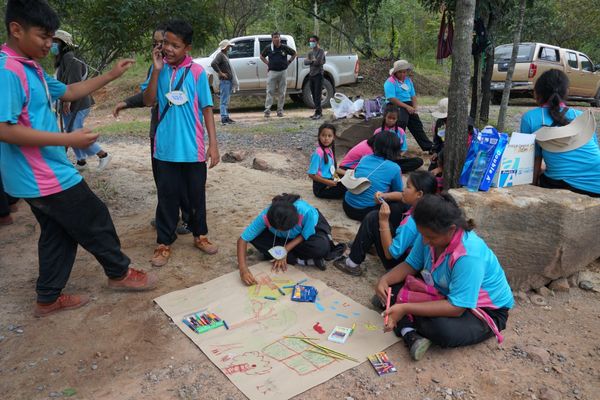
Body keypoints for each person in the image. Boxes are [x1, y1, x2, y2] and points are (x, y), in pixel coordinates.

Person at [0, 0, 158, 317]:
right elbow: (4, 129)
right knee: (94, 217)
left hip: (37, 176)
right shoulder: (8, 71)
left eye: (51, 37)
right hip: (44, 175)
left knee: (59, 232)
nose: (49, 44)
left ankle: (47, 298)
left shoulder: (31, 67)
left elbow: (71, 92)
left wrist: (112, 74)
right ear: (16, 30)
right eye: (43, 36)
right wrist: (68, 139)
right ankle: (120, 274)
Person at [376, 193, 514, 361]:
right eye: (423, 235)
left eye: (431, 237)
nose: (425, 241)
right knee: (389, 290)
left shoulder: (469, 255)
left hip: (483, 311)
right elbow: (411, 264)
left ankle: (405, 322)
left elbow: (456, 308)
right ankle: (407, 325)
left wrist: (405, 307)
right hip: (444, 293)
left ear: (451, 230)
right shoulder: (428, 233)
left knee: (442, 330)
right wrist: (385, 280)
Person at [142, 19, 220, 267]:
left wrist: (213, 144)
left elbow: (207, 109)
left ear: (187, 47)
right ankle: (164, 243)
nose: (168, 49)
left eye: (174, 45)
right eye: (165, 42)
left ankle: (201, 236)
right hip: (165, 149)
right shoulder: (158, 69)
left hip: (193, 149)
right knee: (166, 198)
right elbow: (148, 100)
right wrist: (155, 70)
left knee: (196, 197)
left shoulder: (197, 72)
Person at [112, 25, 191, 235]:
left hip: (182, 135)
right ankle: (171, 219)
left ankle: (185, 219)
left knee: (181, 180)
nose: (160, 46)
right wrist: (127, 102)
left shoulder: (190, 70)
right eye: (156, 43)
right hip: (159, 133)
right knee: (164, 181)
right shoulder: (156, 67)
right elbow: (149, 97)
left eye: (164, 42)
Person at [334, 171, 437, 277]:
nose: (404, 190)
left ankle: (351, 263)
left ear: (419, 194)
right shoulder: (427, 207)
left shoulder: (412, 223)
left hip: (401, 265)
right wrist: (384, 196)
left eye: (408, 187)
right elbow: (401, 196)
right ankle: (368, 242)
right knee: (396, 206)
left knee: (374, 218)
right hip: (412, 259)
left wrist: (383, 221)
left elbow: (390, 254)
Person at [520, 69, 600, 197]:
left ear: (538, 92)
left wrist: (531, 190)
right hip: (597, 183)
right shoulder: (581, 116)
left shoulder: (530, 118)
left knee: (544, 174)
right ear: (566, 92)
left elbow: (532, 160)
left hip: (564, 185)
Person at [237, 194, 341, 285]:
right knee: (256, 237)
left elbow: (305, 235)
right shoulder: (266, 216)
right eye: (278, 229)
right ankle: (301, 260)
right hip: (282, 239)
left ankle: (296, 258)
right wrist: (243, 269)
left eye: (285, 229)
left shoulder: (306, 213)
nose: (282, 230)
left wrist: (285, 250)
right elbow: (243, 239)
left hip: (304, 235)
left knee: (320, 247)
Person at [52, 29, 112, 171]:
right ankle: (81, 162)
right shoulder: (63, 59)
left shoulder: (70, 57)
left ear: (63, 43)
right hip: (69, 103)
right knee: (71, 131)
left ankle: (103, 155)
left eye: (55, 42)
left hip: (77, 102)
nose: (52, 44)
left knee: (74, 132)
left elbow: (76, 82)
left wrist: (68, 101)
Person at [342, 131, 404, 221]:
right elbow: (399, 193)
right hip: (367, 212)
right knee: (400, 203)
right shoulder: (395, 168)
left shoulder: (365, 158)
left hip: (347, 206)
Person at [384, 59, 433, 152]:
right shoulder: (390, 82)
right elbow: (391, 98)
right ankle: (396, 146)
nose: (403, 74)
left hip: (408, 104)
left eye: (404, 72)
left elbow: (413, 95)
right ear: (396, 72)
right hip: (395, 104)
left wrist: (414, 107)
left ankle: (428, 146)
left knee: (417, 124)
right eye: (400, 72)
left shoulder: (408, 81)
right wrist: (406, 107)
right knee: (401, 122)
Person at [374, 103, 423, 172]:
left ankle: (391, 169)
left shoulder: (400, 131)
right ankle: (393, 169)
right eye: (389, 118)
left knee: (418, 161)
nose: (391, 120)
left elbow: (404, 148)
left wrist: (398, 155)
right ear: (385, 117)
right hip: (381, 160)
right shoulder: (378, 131)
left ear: (397, 119)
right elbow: (374, 148)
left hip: (395, 158)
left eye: (393, 118)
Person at [260, 32, 297, 118]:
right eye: (275, 37)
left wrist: (289, 61)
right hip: (272, 72)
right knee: (270, 92)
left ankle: (280, 111)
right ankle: (267, 111)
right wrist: (267, 63)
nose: (277, 39)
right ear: (272, 39)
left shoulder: (284, 47)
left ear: (280, 38)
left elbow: (294, 53)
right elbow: (261, 56)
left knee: (282, 92)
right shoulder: (269, 48)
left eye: (278, 37)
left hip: (283, 72)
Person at [308, 123, 345, 199]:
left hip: (330, 182)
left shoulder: (329, 150)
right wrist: (328, 182)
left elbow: (332, 169)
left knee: (347, 182)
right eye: (323, 135)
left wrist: (340, 178)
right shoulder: (318, 153)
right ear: (319, 136)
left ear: (333, 137)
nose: (326, 138)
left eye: (329, 136)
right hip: (321, 188)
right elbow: (311, 174)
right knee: (346, 189)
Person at [211, 39, 238, 125]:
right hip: (225, 81)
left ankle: (226, 117)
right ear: (225, 47)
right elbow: (213, 63)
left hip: (228, 81)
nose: (230, 48)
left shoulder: (225, 55)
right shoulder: (220, 55)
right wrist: (221, 73)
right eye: (229, 46)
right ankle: (223, 117)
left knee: (226, 100)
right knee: (224, 100)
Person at [304, 35, 326, 120]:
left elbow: (319, 62)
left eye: (313, 41)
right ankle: (317, 111)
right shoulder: (310, 52)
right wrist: (312, 61)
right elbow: (305, 62)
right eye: (310, 41)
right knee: (313, 94)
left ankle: (319, 112)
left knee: (317, 94)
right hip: (311, 74)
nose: (311, 42)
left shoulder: (321, 51)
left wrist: (312, 61)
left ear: (317, 42)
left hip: (318, 75)